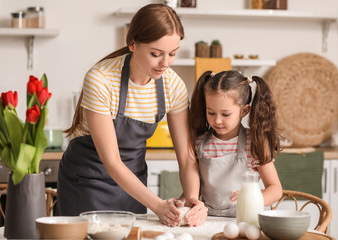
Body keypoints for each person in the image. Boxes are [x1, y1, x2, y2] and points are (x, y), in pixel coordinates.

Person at [57, 3, 207, 227]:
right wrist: (158, 206)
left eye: (173, 54)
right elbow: (112, 161)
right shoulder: (101, 79)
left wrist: (192, 199)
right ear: (133, 44)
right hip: (89, 181)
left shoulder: (172, 85)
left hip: (135, 187)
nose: (165, 64)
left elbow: (186, 157)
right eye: (156, 54)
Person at [189, 70, 283, 217]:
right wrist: (186, 201)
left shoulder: (254, 143)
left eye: (225, 114)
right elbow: (196, 188)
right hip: (209, 219)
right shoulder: (200, 142)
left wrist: (253, 198)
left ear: (244, 111)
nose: (217, 120)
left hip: (246, 219)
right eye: (211, 113)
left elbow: (275, 189)